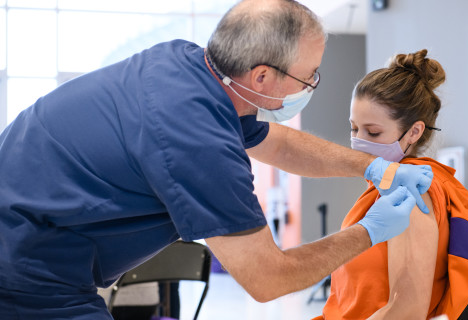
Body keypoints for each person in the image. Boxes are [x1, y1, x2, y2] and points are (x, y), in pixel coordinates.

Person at [0, 1, 434, 319]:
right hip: (26, 269)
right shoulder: (199, 145)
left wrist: (371, 167)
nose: (313, 84)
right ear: (262, 76)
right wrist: (368, 231)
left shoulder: (184, 65)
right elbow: (268, 280)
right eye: (310, 76)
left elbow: (277, 143)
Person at [313, 50, 468, 320]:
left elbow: (407, 310)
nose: (359, 141)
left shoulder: (410, 190)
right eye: (354, 129)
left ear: (414, 131)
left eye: (373, 132)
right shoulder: (387, 185)